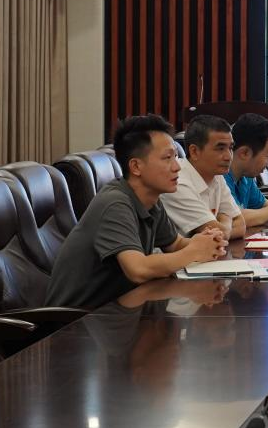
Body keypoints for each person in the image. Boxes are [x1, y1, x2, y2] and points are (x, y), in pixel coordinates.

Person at [47, 115, 227, 310]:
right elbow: (138, 269)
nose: (177, 167)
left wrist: (206, 242)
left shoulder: (151, 200)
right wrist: (193, 251)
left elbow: (175, 245)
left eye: (176, 157)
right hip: (78, 320)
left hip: (119, 311)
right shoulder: (115, 203)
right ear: (136, 166)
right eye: (167, 158)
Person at [161, 114, 246, 238]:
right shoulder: (177, 181)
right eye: (220, 148)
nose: (228, 156)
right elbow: (219, 234)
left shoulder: (216, 174)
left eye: (231, 148)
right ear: (194, 151)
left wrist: (224, 224)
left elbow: (241, 226)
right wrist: (226, 218)